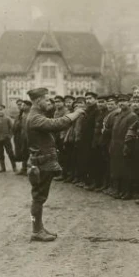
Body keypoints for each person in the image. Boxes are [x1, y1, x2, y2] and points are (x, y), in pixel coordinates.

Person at [24, 87, 85, 241]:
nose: (49, 102)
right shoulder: (35, 117)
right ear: (38, 101)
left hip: (41, 162)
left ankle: (38, 228)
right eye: (46, 99)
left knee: (39, 197)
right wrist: (76, 113)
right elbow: (57, 124)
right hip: (42, 163)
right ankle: (36, 231)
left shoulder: (36, 115)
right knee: (38, 197)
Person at [109, 95, 138, 199]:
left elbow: (131, 133)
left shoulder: (132, 116)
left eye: (124, 101)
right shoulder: (118, 115)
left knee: (127, 169)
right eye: (120, 101)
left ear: (129, 102)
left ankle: (127, 192)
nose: (121, 103)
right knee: (117, 169)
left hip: (125, 145)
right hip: (115, 145)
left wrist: (127, 146)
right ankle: (119, 190)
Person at [0, 104, 16, 172]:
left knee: (10, 152)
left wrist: (10, 136)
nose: (0, 111)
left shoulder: (7, 119)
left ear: (4, 110)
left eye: (1, 109)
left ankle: (14, 167)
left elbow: (12, 128)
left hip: (6, 139)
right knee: (0, 153)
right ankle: (3, 168)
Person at [13, 99, 30, 176]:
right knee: (24, 152)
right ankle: (24, 169)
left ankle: (31, 170)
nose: (22, 106)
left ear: (29, 106)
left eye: (24, 105)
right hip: (22, 137)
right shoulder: (21, 115)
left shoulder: (31, 114)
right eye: (21, 105)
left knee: (31, 153)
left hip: (30, 136)